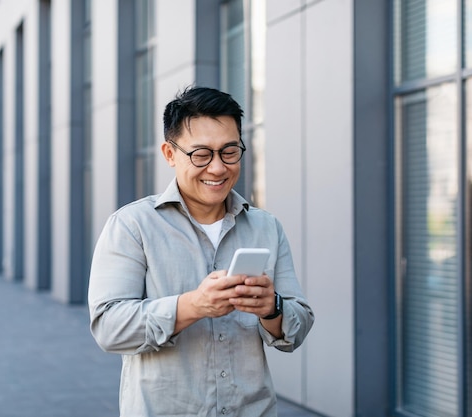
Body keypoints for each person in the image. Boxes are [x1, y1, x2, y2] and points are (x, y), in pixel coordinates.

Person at [88, 86, 314, 416]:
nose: (218, 168)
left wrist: (272, 308)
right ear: (169, 154)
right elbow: (109, 328)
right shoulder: (132, 225)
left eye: (229, 151)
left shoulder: (266, 227)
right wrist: (194, 305)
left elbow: (299, 325)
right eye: (201, 154)